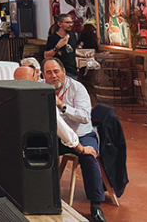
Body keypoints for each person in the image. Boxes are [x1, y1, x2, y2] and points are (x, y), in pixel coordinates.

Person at [0, 64, 99, 160]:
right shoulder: (41, 97)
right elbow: (60, 127)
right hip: (31, 152)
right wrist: (80, 148)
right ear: (36, 79)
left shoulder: (5, 95)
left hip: (11, 152)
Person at [42, 57, 106, 222]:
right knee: (38, 152)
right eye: (48, 72)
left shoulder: (78, 88)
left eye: (56, 71)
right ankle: (45, 196)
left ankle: (96, 207)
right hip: (56, 136)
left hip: (82, 134)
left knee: (88, 157)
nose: (53, 75)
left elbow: (85, 117)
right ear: (43, 75)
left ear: (63, 72)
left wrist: (61, 105)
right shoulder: (39, 88)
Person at [44, 14, 79, 78]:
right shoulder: (53, 38)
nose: (70, 25)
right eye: (67, 23)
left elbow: (73, 51)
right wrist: (57, 46)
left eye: (71, 22)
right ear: (60, 24)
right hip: (59, 70)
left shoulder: (73, 35)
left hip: (72, 70)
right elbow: (46, 55)